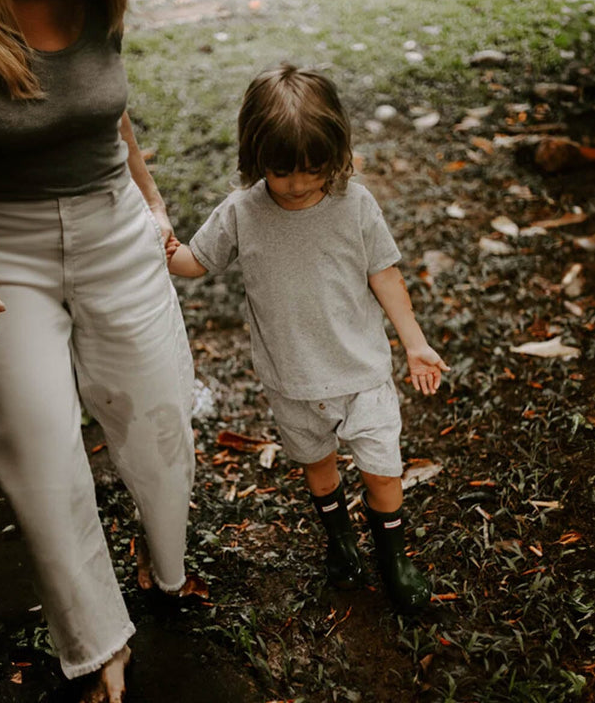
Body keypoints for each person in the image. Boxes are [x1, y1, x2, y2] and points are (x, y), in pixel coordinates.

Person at [0, 0, 196, 700]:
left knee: (159, 419)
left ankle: (171, 570)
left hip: (113, 225)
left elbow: (104, 110)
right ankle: (96, 644)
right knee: (38, 450)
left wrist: (152, 201)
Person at [167, 64, 449, 613]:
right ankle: (341, 544)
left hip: (361, 371)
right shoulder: (242, 212)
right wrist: (154, 240)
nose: (298, 184)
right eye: (281, 172)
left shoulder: (355, 204)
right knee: (317, 467)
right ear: (255, 159)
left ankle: (393, 557)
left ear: (337, 154)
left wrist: (414, 342)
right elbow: (194, 262)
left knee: (383, 470)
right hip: (291, 379)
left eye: (314, 169)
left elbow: (384, 275)